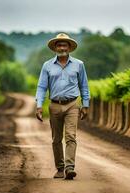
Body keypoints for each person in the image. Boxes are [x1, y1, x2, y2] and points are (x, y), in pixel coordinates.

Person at [35, 33, 90, 180]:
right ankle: (60, 168)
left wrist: (85, 105)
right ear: (55, 48)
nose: (62, 47)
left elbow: (84, 86)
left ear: (69, 47)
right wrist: (39, 106)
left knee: (71, 136)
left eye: (64, 45)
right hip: (54, 105)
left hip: (72, 104)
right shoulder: (47, 66)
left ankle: (69, 167)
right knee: (56, 139)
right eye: (59, 45)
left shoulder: (79, 65)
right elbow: (41, 87)